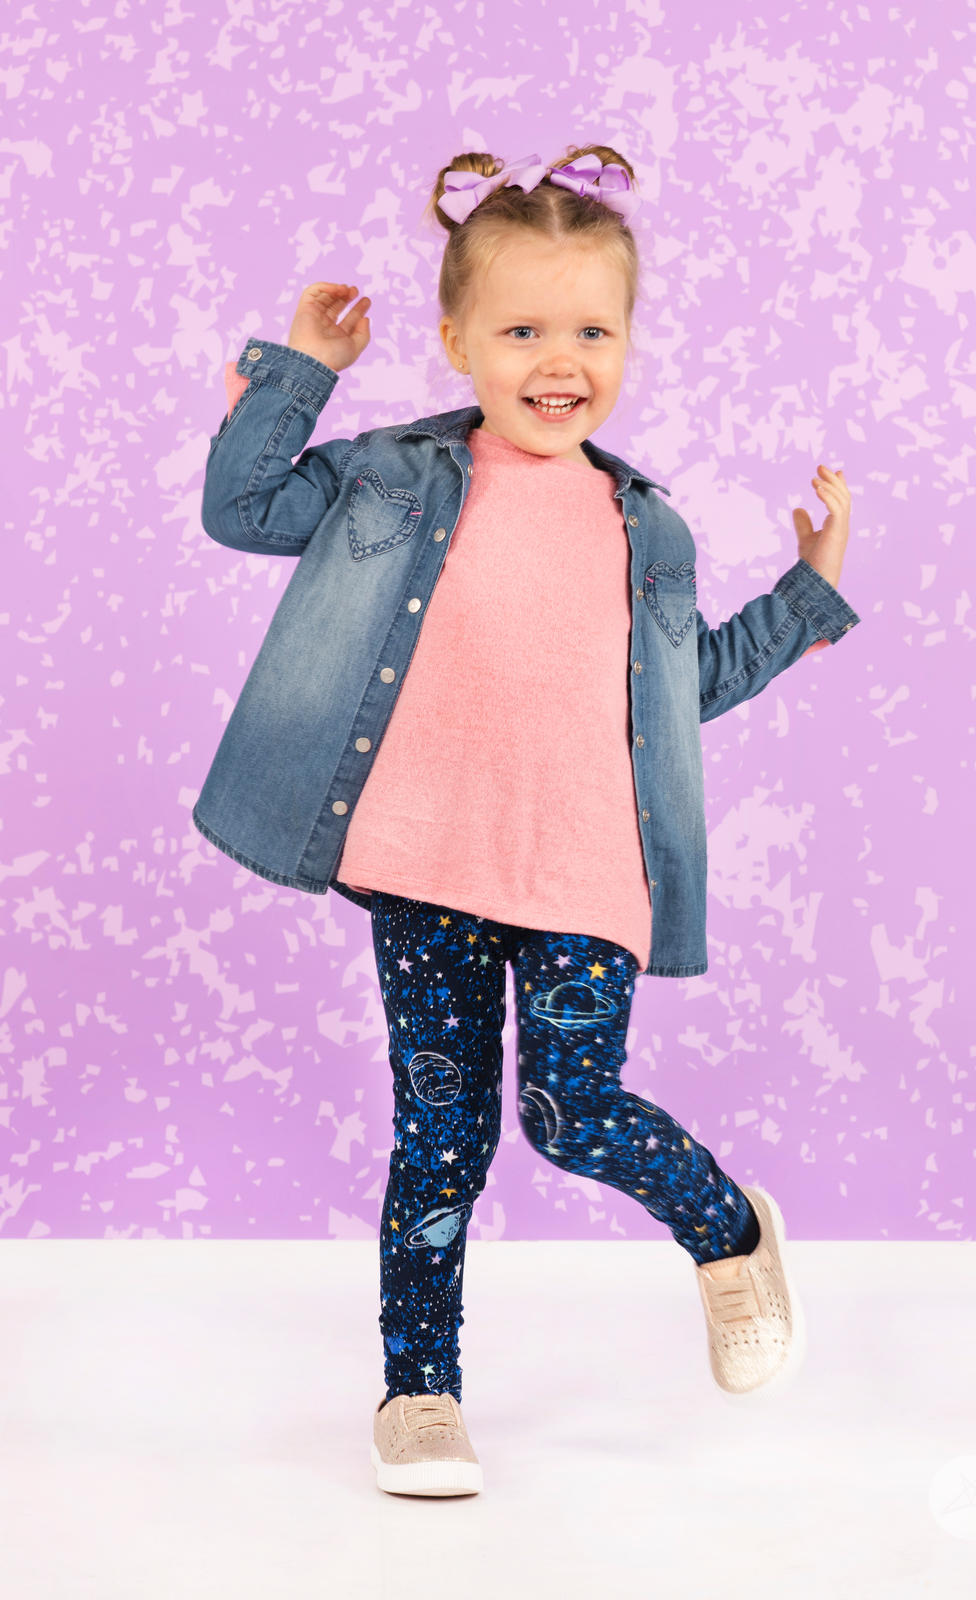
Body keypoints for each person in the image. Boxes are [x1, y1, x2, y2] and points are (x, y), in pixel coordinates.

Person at [196, 145, 860, 1498]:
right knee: (440, 1142)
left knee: (569, 1111)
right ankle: (420, 1393)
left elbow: (684, 687)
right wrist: (301, 373)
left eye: (592, 332)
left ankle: (728, 1234)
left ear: (628, 342)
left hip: (583, 871)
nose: (559, 361)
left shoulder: (648, 529)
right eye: (520, 332)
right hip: (425, 862)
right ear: (456, 341)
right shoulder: (392, 476)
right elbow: (242, 506)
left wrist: (804, 595)